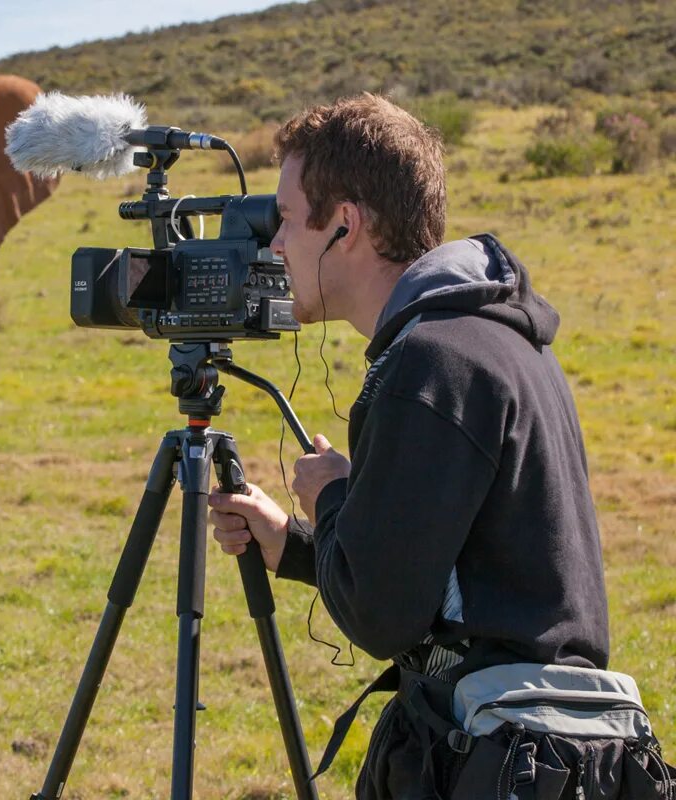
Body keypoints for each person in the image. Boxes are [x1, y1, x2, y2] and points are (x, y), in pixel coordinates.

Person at [208, 94, 673, 799]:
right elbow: (463, 583)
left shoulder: (429, 365)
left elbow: (381, 616)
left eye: (285, 219)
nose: (273, 245)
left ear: (344, 225)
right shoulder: (495, 339)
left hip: (497, 759)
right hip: (544, 756)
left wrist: (332, 493)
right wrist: (294, 545)